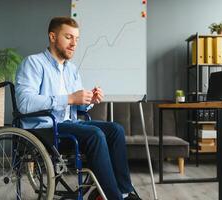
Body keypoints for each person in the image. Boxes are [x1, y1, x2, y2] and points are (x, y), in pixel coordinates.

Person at [15, 16, 141, 200]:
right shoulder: (33, 63)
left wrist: (89, 100)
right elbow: (24, 103)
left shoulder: (71, 69)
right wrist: (69, 98)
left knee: (115, 130)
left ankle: (124, 191)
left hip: (68, 124)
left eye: (77, 39)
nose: (74, 43)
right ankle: (114, 197)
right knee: (94, 135)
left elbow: (77, 104)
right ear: (52, 37)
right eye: (68, 37)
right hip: (43, 129)